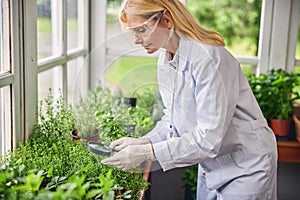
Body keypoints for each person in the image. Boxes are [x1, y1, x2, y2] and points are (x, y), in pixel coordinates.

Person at [101, 0, 278, 199]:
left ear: (166, 20)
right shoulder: (166, 59)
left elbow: (209, 139)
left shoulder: (208, 58)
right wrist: (143, 141)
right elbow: (172, 119)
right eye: (132, 32)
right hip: (214, 164)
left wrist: (148, 152)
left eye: (141, 30)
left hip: (246, 165)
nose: (136, 40)